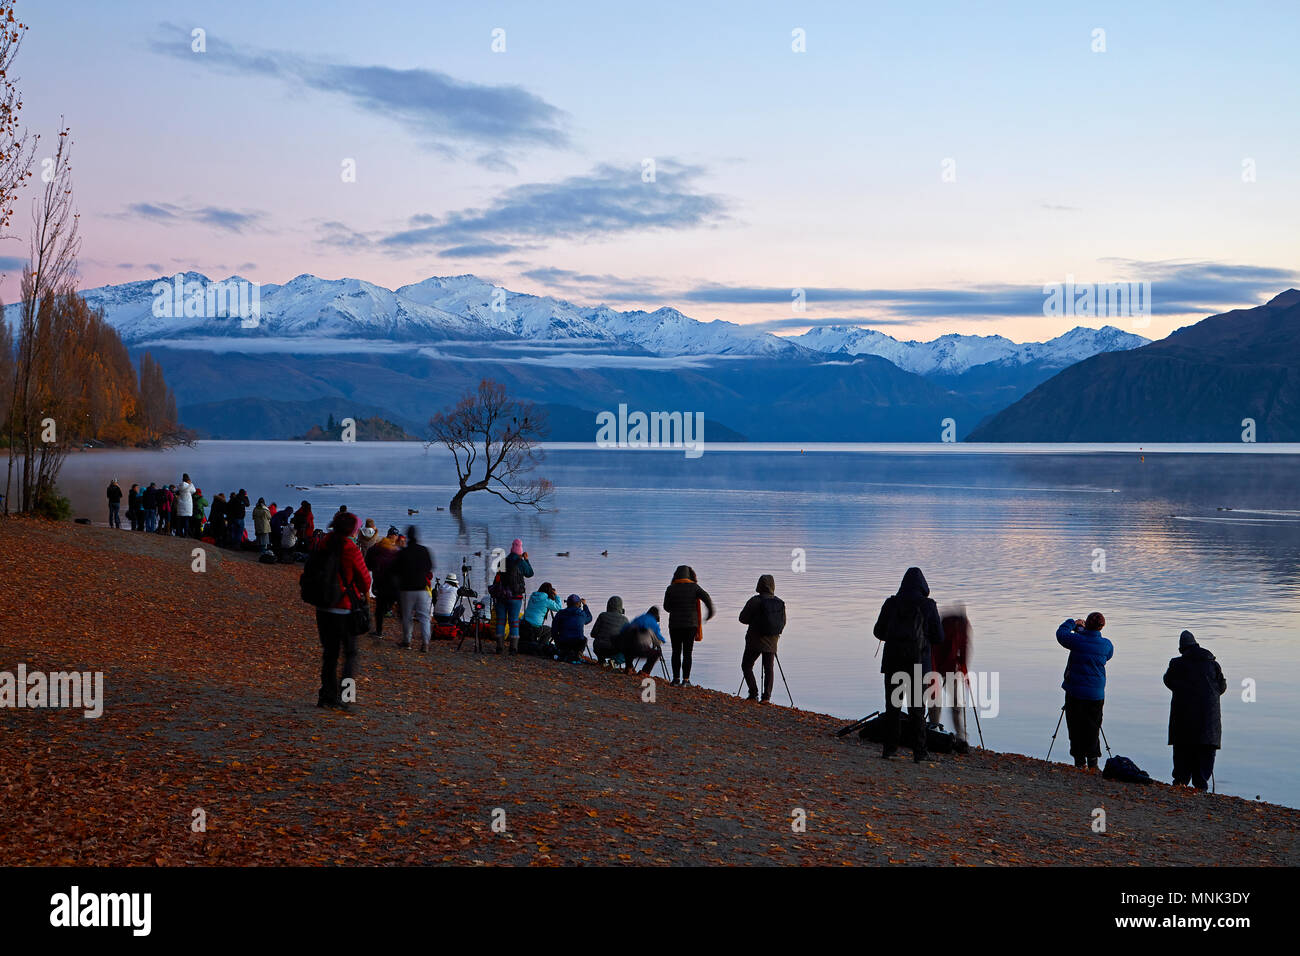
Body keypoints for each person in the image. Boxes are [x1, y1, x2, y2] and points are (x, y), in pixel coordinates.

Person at [873, 567, 944, 762]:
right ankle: (919, 752)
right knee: (916, 709)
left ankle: (889, 749)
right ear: (923, 585)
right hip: (918, 665)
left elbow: (878, 631)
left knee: (893, 707)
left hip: (893, 663)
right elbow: (939, 636)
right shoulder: (928, 606)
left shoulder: (891, 603)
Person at [310, 512, 371, 709]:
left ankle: (326, 696)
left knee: (329, 654)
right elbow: (365, 579)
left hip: (323, 606)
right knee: (350, 654)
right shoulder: (350, 548)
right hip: (344, 609)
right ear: (352, 529)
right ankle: (346, 697)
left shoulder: (323, 543)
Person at [1163, 630, 1226, 791]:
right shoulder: (1212, 663)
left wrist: (1182, 690)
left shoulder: (1176, 664)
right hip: (1209, 719)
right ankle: (1201, 786)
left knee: (1183, 751)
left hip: (1183, 717)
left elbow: (1168, 681)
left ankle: (1180, 783)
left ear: (1182, 648)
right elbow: (1222, 687)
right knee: (1205, 751)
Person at [1055, 612, 1114, 770]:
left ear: (1086, 624)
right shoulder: (1106, 645)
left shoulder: (1077, 641)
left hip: (1075, 692)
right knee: (1093, 727)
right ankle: (1093, 763)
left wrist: (1073, 623)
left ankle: (1080, 762)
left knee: (1075, 727)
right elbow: (1107, 655)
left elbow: (1061, 634)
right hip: (1096, 694)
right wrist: (1083, 631)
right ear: (1102, 626)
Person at [928, 607, 972, 753]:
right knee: (955, 703)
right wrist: (964, 669)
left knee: (936, 699)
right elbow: (965, 648)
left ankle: (933, 728)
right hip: (947, 664)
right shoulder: (963, 625)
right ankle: (960, 736)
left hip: (937, 662)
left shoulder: (944, 622)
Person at [662, 564, 715, 687]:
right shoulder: (694, 587)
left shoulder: (671, 588)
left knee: (676, 652)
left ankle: (675, 679)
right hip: (690, 625)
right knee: (687, 653)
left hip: (674, 625)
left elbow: (666, 607)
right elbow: (707, 598)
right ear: (690, 575)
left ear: (676, 575)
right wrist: (710, 613)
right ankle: (686, 680)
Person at [738, 574, 786, 703]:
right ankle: (766, 698)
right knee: (769, 668)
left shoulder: (755, 601)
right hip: (772, 640)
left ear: (759, 585)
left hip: (755, 639)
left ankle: (753, 693)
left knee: (746, 665)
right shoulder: (779, 602)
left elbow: (742, 618)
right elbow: (783, 622)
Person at [393, 525, 435, 651]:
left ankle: (407, 641)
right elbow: (430, 567)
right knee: (424, 617)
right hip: (422, 588)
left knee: (407, 616)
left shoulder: (403, 553)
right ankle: (425, 643)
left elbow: (396, 570)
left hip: (406, 589)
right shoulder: (424, 550)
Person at [497, 539, 534, 652]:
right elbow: (530, 573)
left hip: (502, 596)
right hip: (515, 597)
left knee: (501, 621)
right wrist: (526, 560)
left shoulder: (502, 561)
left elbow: (498, 577)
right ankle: (513, 648)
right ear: (520, 550)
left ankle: (499, 647)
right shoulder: (521, 562)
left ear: (511, 548)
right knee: (514, 622)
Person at [365, 526, 401, 639]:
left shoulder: (378, 546)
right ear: (393, 536)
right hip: (392, 582)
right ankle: (405, 635)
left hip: (380, 581)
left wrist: (371, 568)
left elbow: (369, 557)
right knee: (389, 604)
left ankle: (379, 631)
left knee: (380, 608)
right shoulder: (396, 550)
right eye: (395, 535)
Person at [618, 607, 666, 675]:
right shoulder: (652, 622)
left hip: (624, 646)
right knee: (657, 653)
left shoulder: (639, 618)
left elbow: (624, 630)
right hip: (638, 648)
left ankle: (629, 668)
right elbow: (659, 640)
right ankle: (645, 672)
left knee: (629, 645)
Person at [551, 595, 592, 663]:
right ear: (579, 604)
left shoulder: (560, 613)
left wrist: (556, 641)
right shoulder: (582, 614)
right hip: (577, 644)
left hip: (563, 643)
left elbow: (554, 630)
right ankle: (578, 654)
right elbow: (589, 618)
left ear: (567, 603)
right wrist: (585, 605)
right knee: (584, 639)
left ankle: (563, 653)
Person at [521, 583, 562, 648]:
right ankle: (542, 646)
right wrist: (556, 595)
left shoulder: (533, 596)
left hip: (524, 623)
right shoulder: (547, 601)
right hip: (535, 627)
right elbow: (559, 608)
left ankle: (536, 644)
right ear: (549, 591)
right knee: (549, 630)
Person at [591, 596, 629, 665]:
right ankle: (615, 662)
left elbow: (593, 634)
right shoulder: (625, 620)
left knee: (598, 642)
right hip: (614, 650)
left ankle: (601, 660)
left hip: (599, 649)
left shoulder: (602, 616)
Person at [174, 474, 195, 538]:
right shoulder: (189, 486)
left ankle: (179, 533)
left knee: (180, 521)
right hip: (187, 506)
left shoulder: (180, 486)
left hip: (180, 506)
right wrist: (191, 483)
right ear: (188, 480)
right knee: (186, 521)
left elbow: (176, 491)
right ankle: (186, 534)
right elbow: (194, 490)